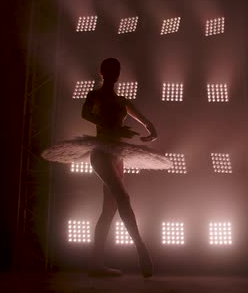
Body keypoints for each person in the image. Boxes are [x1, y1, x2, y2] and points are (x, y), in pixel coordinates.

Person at [41, 58, 171, 278]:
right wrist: (112, 127)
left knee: (109, 210)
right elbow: (85, 113)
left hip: (117, 157)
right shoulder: (95, 95)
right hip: (101, 155)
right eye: (110, 71)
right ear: (102, 73)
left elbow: (147, 123)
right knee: (123, 198)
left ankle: (95, 263)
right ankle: (141, 249)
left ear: (118, 74)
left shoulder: (123, 101)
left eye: (116, 71)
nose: (114, 74)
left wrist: (152, 131)